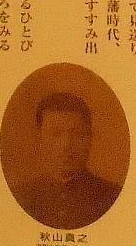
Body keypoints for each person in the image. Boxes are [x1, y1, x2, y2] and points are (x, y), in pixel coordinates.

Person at [17, 92, 121, 228]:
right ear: (39, 139)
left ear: (90, 138)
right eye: (55, 134)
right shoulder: (22, 196)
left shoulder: (111, 196)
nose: (66, 144)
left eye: (77, 134)